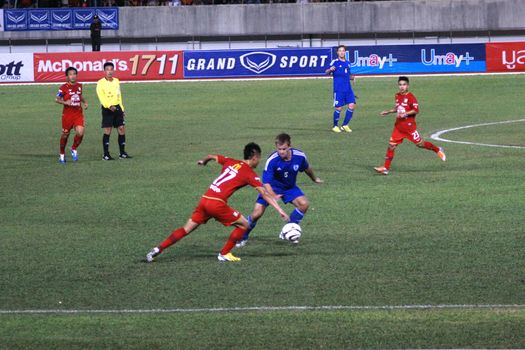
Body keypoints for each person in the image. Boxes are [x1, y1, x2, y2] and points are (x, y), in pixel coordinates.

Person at [146, 143, 289, 263]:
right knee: (245, 224)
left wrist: (204, 161)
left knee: (186, 229)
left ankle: (158, 249)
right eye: (259, 158)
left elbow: (211, 156)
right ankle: (224, 253)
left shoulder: (230, 161)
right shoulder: (249, 173)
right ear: (255, 157)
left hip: (205, 199)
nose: (259, 161)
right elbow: (264, 193)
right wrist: (280, 210)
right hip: (217, 204)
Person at [236, 133, 322, 247]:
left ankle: (288, 229)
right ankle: (243, 236)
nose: (281, 151)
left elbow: (307, 168)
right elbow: (266, 182)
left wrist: (314, 178)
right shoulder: (272, 160)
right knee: (257, 213)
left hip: (289, 187)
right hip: (271, 187)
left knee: (304, 204)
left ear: (290, 146)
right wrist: (272, 195)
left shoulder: (299, 156)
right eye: (279, 149)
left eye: (284, 149)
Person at [374, 76, 446, 175]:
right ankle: (386, 168)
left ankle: (437, 149)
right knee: (391, 146)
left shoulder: (411, 97)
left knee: (420, 144)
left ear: (408, 86)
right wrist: (388, 111)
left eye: (404, 85)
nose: (402, 87)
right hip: (398, 127)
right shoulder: (397, 95)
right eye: (400, 85)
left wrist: (406, 113)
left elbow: (416, 110)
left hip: (409, 127)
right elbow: (398, 107)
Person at [96, 62, 131, 160]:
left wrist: (122, 109)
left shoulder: (116, 81)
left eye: (111, 69)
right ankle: (106, 154)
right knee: (108, 131)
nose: (109, 71)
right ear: (104, 71)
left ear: (113, 70)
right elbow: (101, 97)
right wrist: (108, 106)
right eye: (107, 69)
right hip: (107, 109)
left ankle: (122, 153)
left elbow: (119, 96)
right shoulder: (100, 83)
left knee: (121, 129)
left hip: (117, 107)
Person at [55, 67, 88, 164]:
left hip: (78, 114)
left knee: (80, 132)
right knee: (65, 135)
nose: (73, 76)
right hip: (67, 115)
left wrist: (85, 102)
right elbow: (56, 99)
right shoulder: (63, 87)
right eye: (70, 74)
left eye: (74, 74)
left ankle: (73, 148)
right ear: (67, 76)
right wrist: (65, 102)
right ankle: (62, 154)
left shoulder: (79, 86)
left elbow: (80, 95)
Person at [326, 44, 356, 133]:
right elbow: (326, 71)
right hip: (339, 89)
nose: (342, 52)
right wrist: (330, 70)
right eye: (340, 51)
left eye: (343, 51)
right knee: (338, 108)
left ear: (345, 52)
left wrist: (353, 78)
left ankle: (345, 125)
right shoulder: (334, 62)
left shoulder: (348, 63)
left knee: (352, 105)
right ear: (337, 52)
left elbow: (348, 75)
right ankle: (335, 126)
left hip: (348, 89)